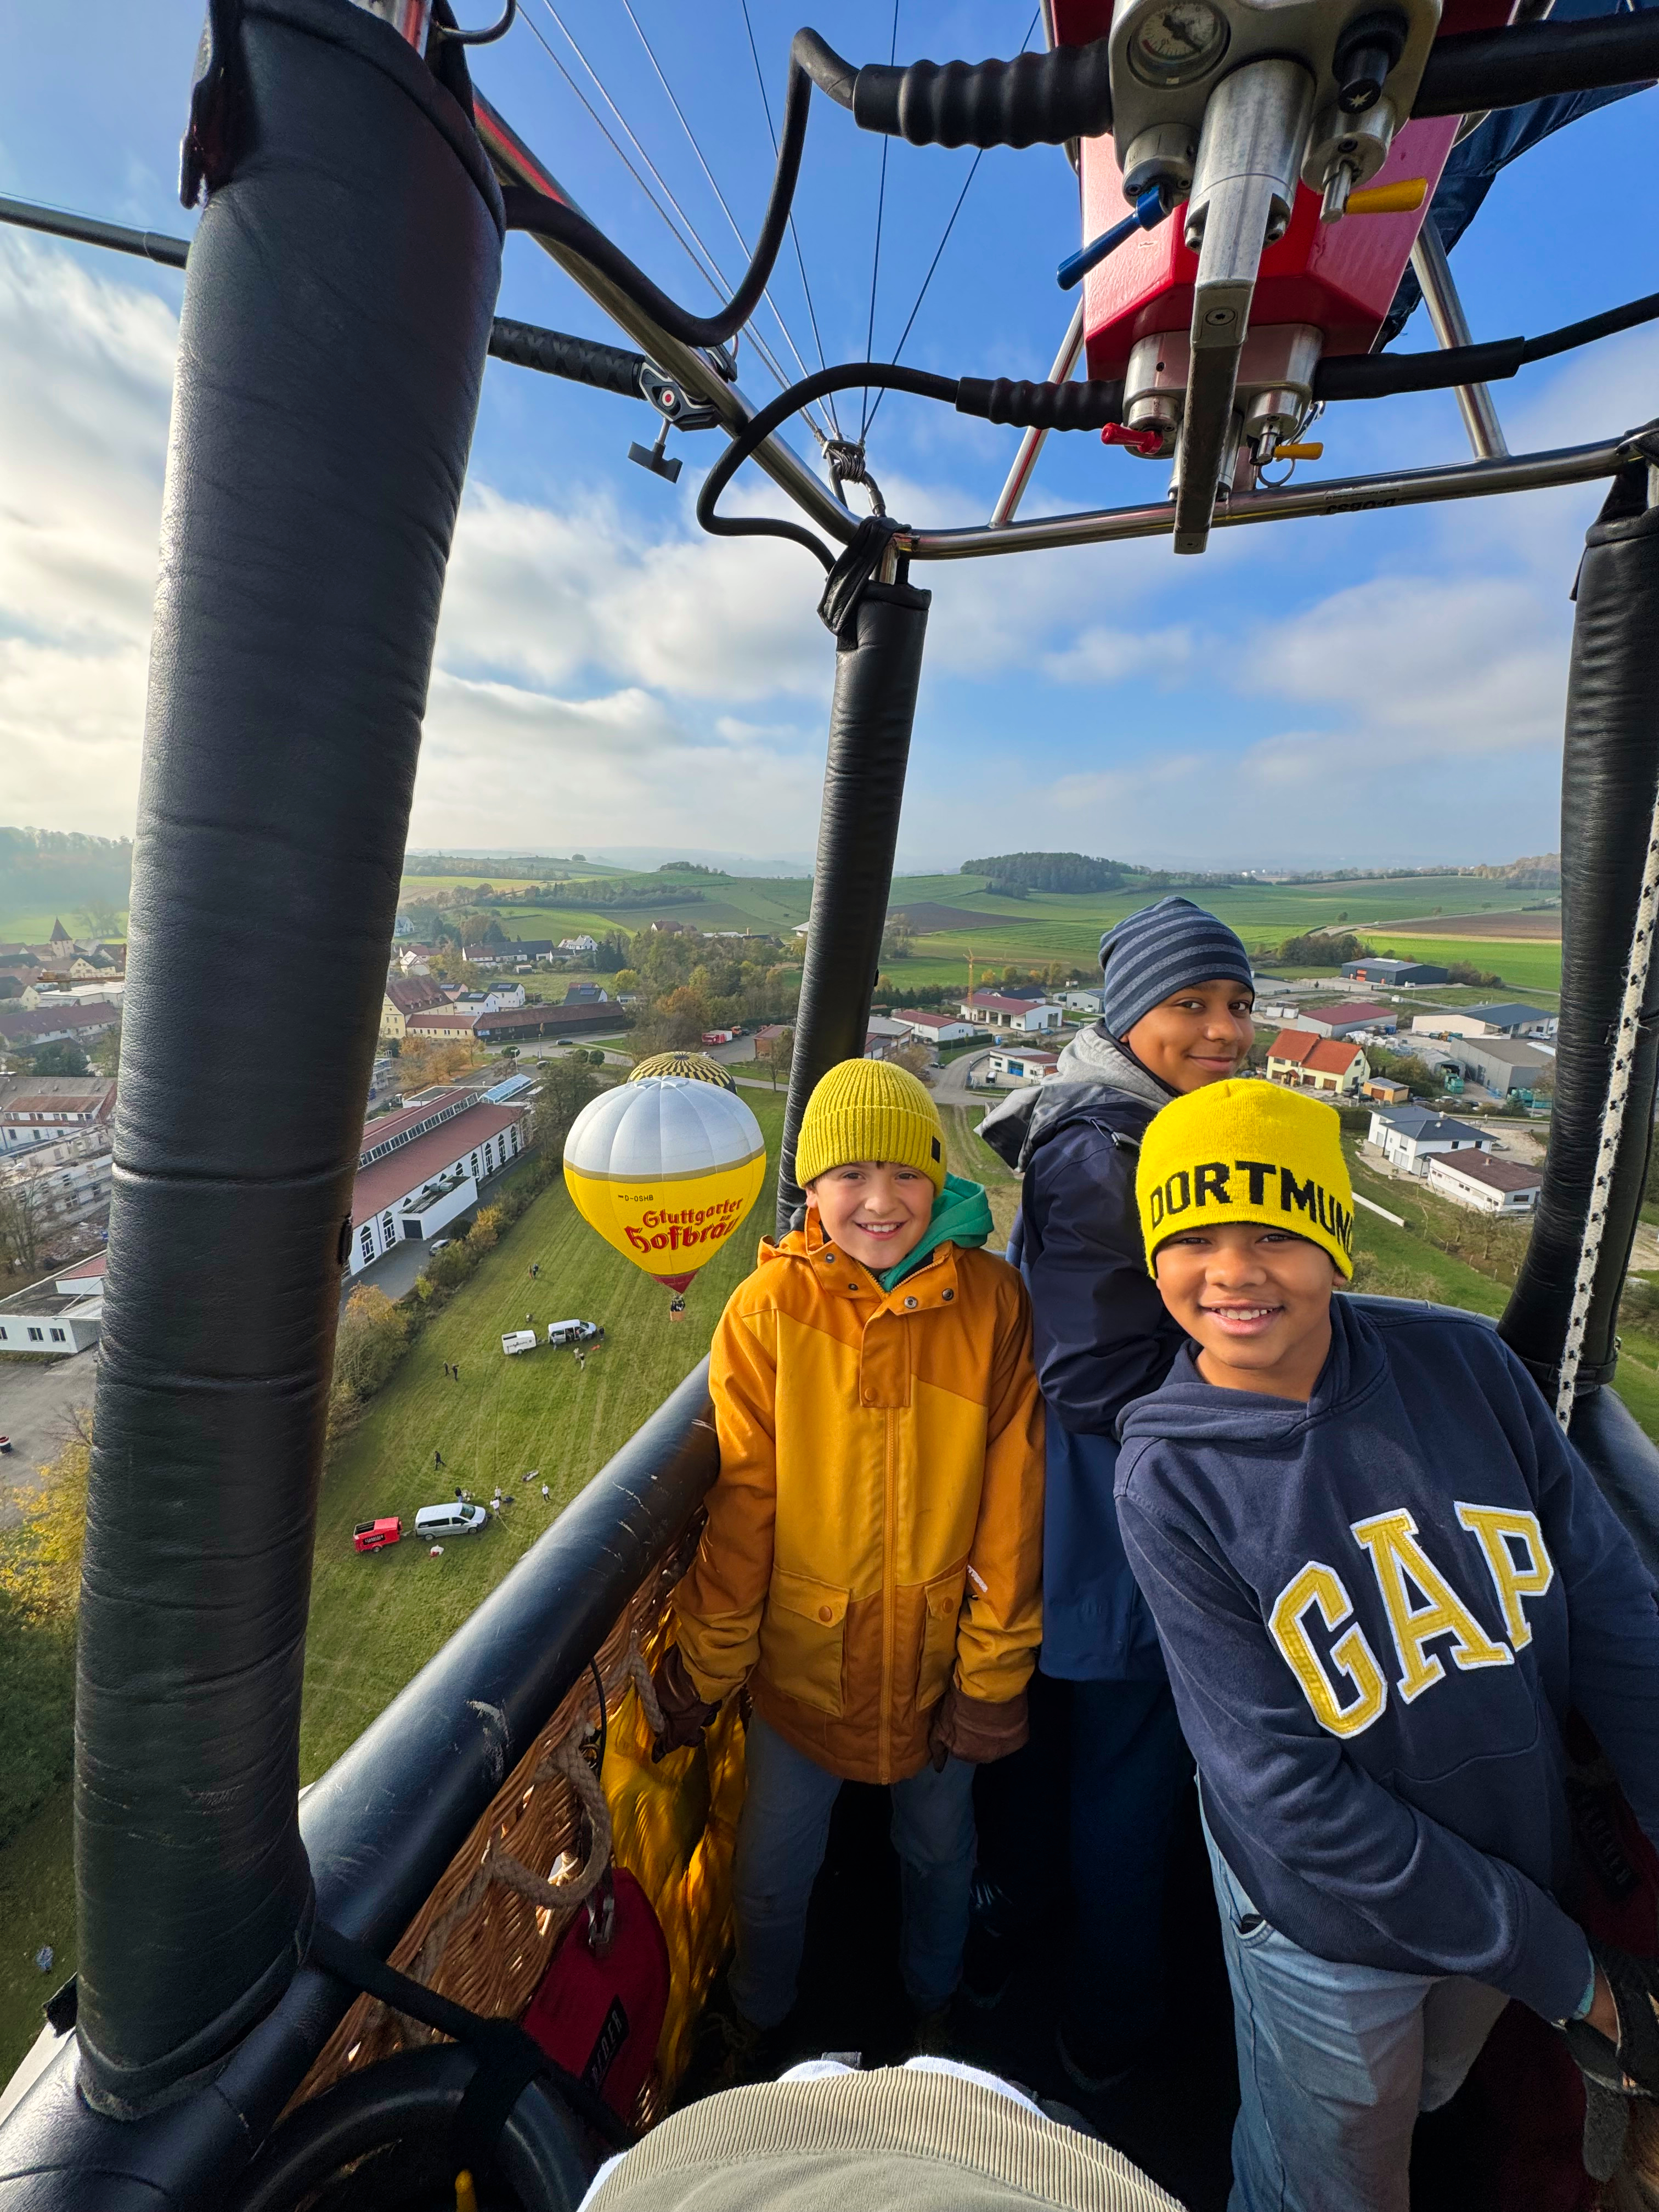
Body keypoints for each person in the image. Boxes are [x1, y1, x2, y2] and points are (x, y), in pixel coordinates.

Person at [1115, 1080, 1659, 2211]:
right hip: (1333, 1931)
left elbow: (1612, 1612)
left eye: (1276, 1231)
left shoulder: (1466, 1369)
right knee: (1332, 2179)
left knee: (1433, 2093)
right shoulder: (1172, 1482)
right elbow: (1289, 1799)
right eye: (1194, 1237)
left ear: (1337, 1242)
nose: (1233, 1271)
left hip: (1511, 1867)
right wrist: (1573, 1977)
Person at [652, 1058, 1045, 2056]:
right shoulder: (767, 1311)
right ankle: (757, 2023)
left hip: (936, 1674)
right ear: (811, 1190)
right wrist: (706, 1663)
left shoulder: (993, 1305)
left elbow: (1014, 1509)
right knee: (770, 1875)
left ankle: (933, 2013)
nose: (881, 1201)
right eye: (850, 1174)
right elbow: (745, 1508)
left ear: (938, 1176)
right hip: (799, 1676)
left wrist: (992, 1676)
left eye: (906, 1173)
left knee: (940, 1856)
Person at [977, 897, 1255, 2084]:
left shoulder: (1132, 1123)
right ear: (1127, 1016)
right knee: (1132, 1767)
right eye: (1190, 1005)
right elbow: (1093, 1373)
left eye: (1237, 1004)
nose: (1223, 1029)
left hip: (1098, 1503)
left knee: (1086, 1755)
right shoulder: (1109, 1148)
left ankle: (1029, 1946)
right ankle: (1116, 2028)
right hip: (1122, 1510)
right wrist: (1259, 1366)